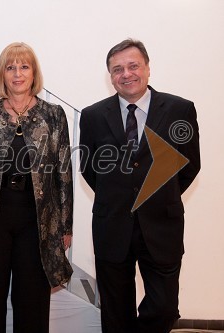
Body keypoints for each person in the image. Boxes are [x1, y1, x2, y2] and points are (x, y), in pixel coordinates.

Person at [79, 38, 200, 333]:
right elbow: (88, 168)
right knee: (115, 312)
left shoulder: (179, 109)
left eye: (133, 66)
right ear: (110, 77)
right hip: (112, 224)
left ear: (147, 68)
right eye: (117, 69)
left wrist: (159, 195)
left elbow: (189, 165)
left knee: (164, 308)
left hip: (162, 224)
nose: (126, 74)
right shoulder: (93, 116)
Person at [0, 42, 73, 333]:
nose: (17, 73)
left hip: (37, 220)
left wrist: (64, 226)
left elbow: (63, 173)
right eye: (11, 67)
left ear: (34, 73)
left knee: (32, 299)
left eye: (24, 66)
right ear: (2, 74)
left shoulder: (54, 115)